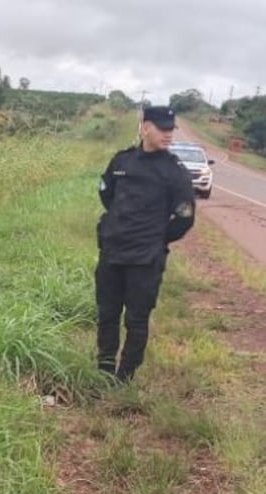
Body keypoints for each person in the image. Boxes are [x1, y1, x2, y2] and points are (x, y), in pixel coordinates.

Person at [95, 105, 195, 384]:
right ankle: (104, 368)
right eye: (162, 129)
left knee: (136, 319)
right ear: (145, 127)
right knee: (107, 313)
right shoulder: (122, 161)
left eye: (171, 129)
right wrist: (119, 226)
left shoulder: (174, 172)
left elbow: (185, 217)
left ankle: (125, 376)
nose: (168, 134)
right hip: (113, 252)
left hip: (145, 258)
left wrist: (156, 237)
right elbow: (107, 195)